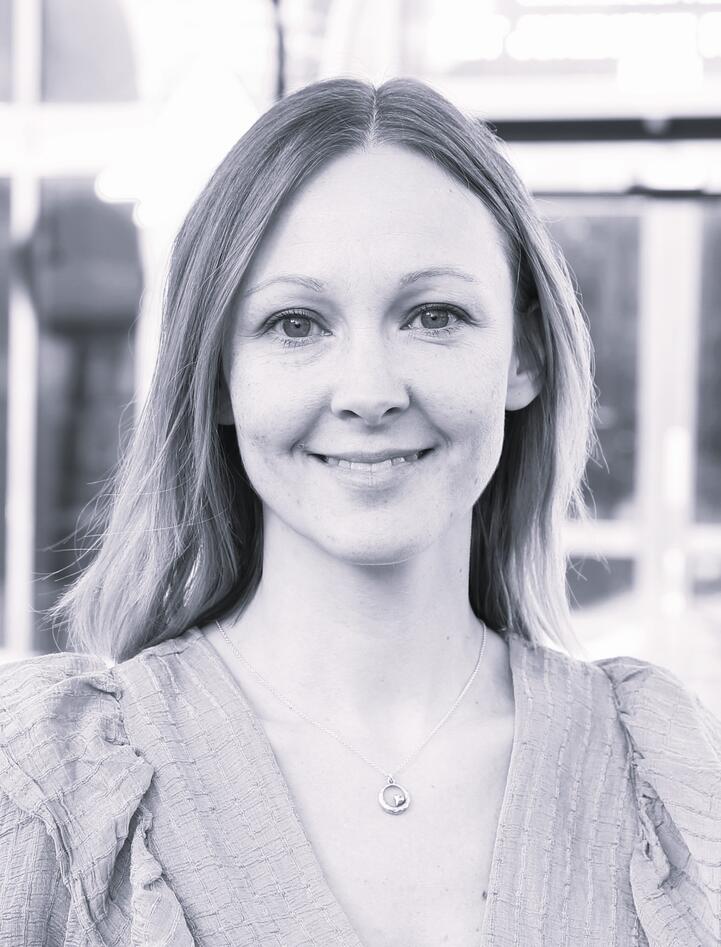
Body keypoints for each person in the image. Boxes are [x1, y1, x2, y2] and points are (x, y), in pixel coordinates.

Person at [1, 77, 719, 947]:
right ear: (218, 375)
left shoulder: (666, 775)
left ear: (524, 357)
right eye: (296, 323)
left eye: (433, 315)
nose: (370, 392)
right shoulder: (43, 785)